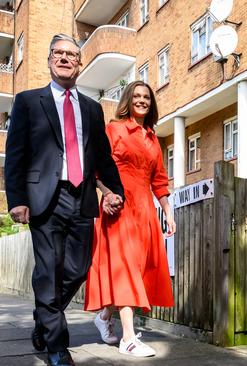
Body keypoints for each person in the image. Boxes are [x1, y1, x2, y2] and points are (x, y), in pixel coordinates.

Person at [3, 34, 124, 366]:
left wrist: (114, 190)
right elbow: (14, 154)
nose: (65, 58)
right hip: (43, 197)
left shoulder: (92, 108)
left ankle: (44, 316)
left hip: (82, 198)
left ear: (79, 64)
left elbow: (102, 156)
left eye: (72, 54)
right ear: (49, 59)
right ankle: (57, 348)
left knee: (78, 269)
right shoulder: (28, 101)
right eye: (58, 53)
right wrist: (16, 199)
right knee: (48, 272)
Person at [84, 80, 175, 358]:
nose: (141, 100)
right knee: (124, 268)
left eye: (146, 97)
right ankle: (128, 338)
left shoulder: (152, 139)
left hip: (145, 210)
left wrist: (169, 214)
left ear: (151, 103)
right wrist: (108, 194)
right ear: (128, 99)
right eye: (136, 95)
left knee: (137, 268)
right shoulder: (115, 129)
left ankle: (104, 317)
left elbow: (159, 181)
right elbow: (97, 167)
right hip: (119, 206)